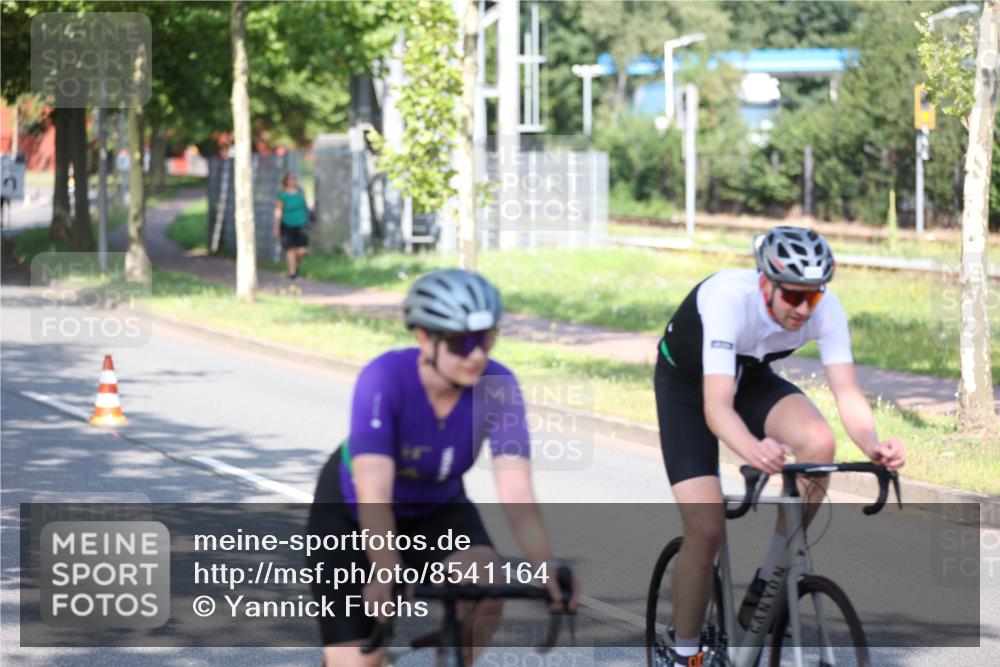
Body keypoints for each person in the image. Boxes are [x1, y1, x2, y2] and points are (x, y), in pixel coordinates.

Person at [653, 226, 906, 667]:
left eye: (813, 296)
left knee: (819, 443)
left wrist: (872, 444)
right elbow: (716, 407)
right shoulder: (730, 300)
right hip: (688, 390)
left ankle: (769, 578)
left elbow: (847, 392)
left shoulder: (825, 309)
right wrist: (753, 449)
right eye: (792, 296)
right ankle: (683, 650)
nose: (803, 308)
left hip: (749, 379)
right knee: (706, 530)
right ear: (765, 283)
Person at [307, 268, 578, 667]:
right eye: (460, 342)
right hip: (353, 513)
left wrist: (547, 566)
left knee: (487, 582)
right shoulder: (384, 378)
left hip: (437, 507)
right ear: (424, 338)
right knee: (360, 660)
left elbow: (517, 492)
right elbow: (374, 491)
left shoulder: (498, 386)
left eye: (485, 338)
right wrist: (385, 567)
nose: (477, 355)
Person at [273, 171, 310, 279]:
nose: (293, 181)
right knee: (290, 249)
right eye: (290, 179)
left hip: (301, 224)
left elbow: (306, 207)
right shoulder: (283, 195)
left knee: (302, 250)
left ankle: (294, 266)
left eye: (294, 179)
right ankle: (293, 273)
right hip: (287, 225)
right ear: (286, 181)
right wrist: (276, 227)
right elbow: (278, 211)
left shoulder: (301, 192)